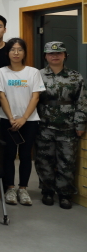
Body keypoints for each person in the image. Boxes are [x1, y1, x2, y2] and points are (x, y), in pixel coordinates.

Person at [36, 41, 87, 209]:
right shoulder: (38, 75)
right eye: (51, 53)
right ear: (45, 56)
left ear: (65, 55)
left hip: (68, 126)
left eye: (59, 53)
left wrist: (80, 123)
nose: (55, 56)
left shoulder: (75, 77)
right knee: (44, 160)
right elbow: (32, 100)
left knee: (67, 161)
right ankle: (47, 191)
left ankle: (65, 194)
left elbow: (82, 101)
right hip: (44, 126)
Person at [0, 37, 45, 206]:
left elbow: (35, 97)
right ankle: (10, 188)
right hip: (7, 120)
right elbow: (1, 96)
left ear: (24, 52)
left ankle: (23, 188)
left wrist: (24, 118)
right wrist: (11, 117)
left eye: (20, 49)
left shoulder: (33, 72)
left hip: (29, 121)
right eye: (12, 49)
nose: (16, 53)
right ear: (7, 53)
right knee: (9, 155)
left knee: (25, 155)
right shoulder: (0, 72)